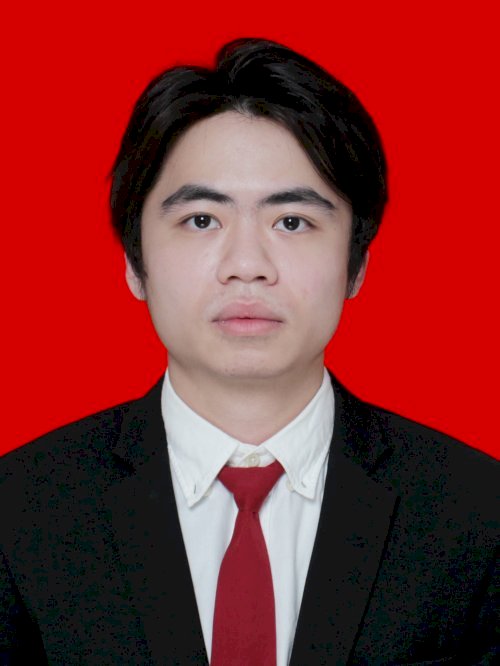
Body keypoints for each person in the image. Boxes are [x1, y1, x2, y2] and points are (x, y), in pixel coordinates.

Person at [0, 38, 498, 665]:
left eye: (291, 222)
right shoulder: (21, 513)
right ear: (134, 261)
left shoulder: (476, 516)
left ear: (356, 264)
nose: (246, 265)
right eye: (201, 220)